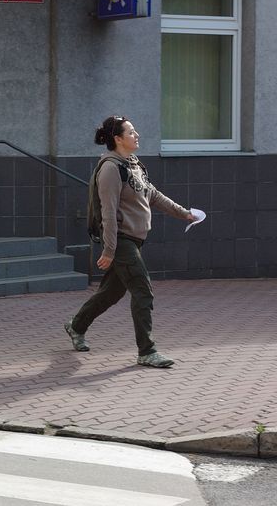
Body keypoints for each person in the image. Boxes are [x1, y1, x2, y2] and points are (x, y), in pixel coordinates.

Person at [64, 116, 198, 368]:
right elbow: (108, 213)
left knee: (112, 292)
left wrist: (185, 214)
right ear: (118, 139)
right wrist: (109, 249)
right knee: (142, 290)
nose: (137, 135)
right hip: (121, 240)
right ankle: (147, 351)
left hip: (134, 240)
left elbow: (154, 195)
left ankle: (76, 325)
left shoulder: (133, 165)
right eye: (131, 132)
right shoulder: (110, 169)